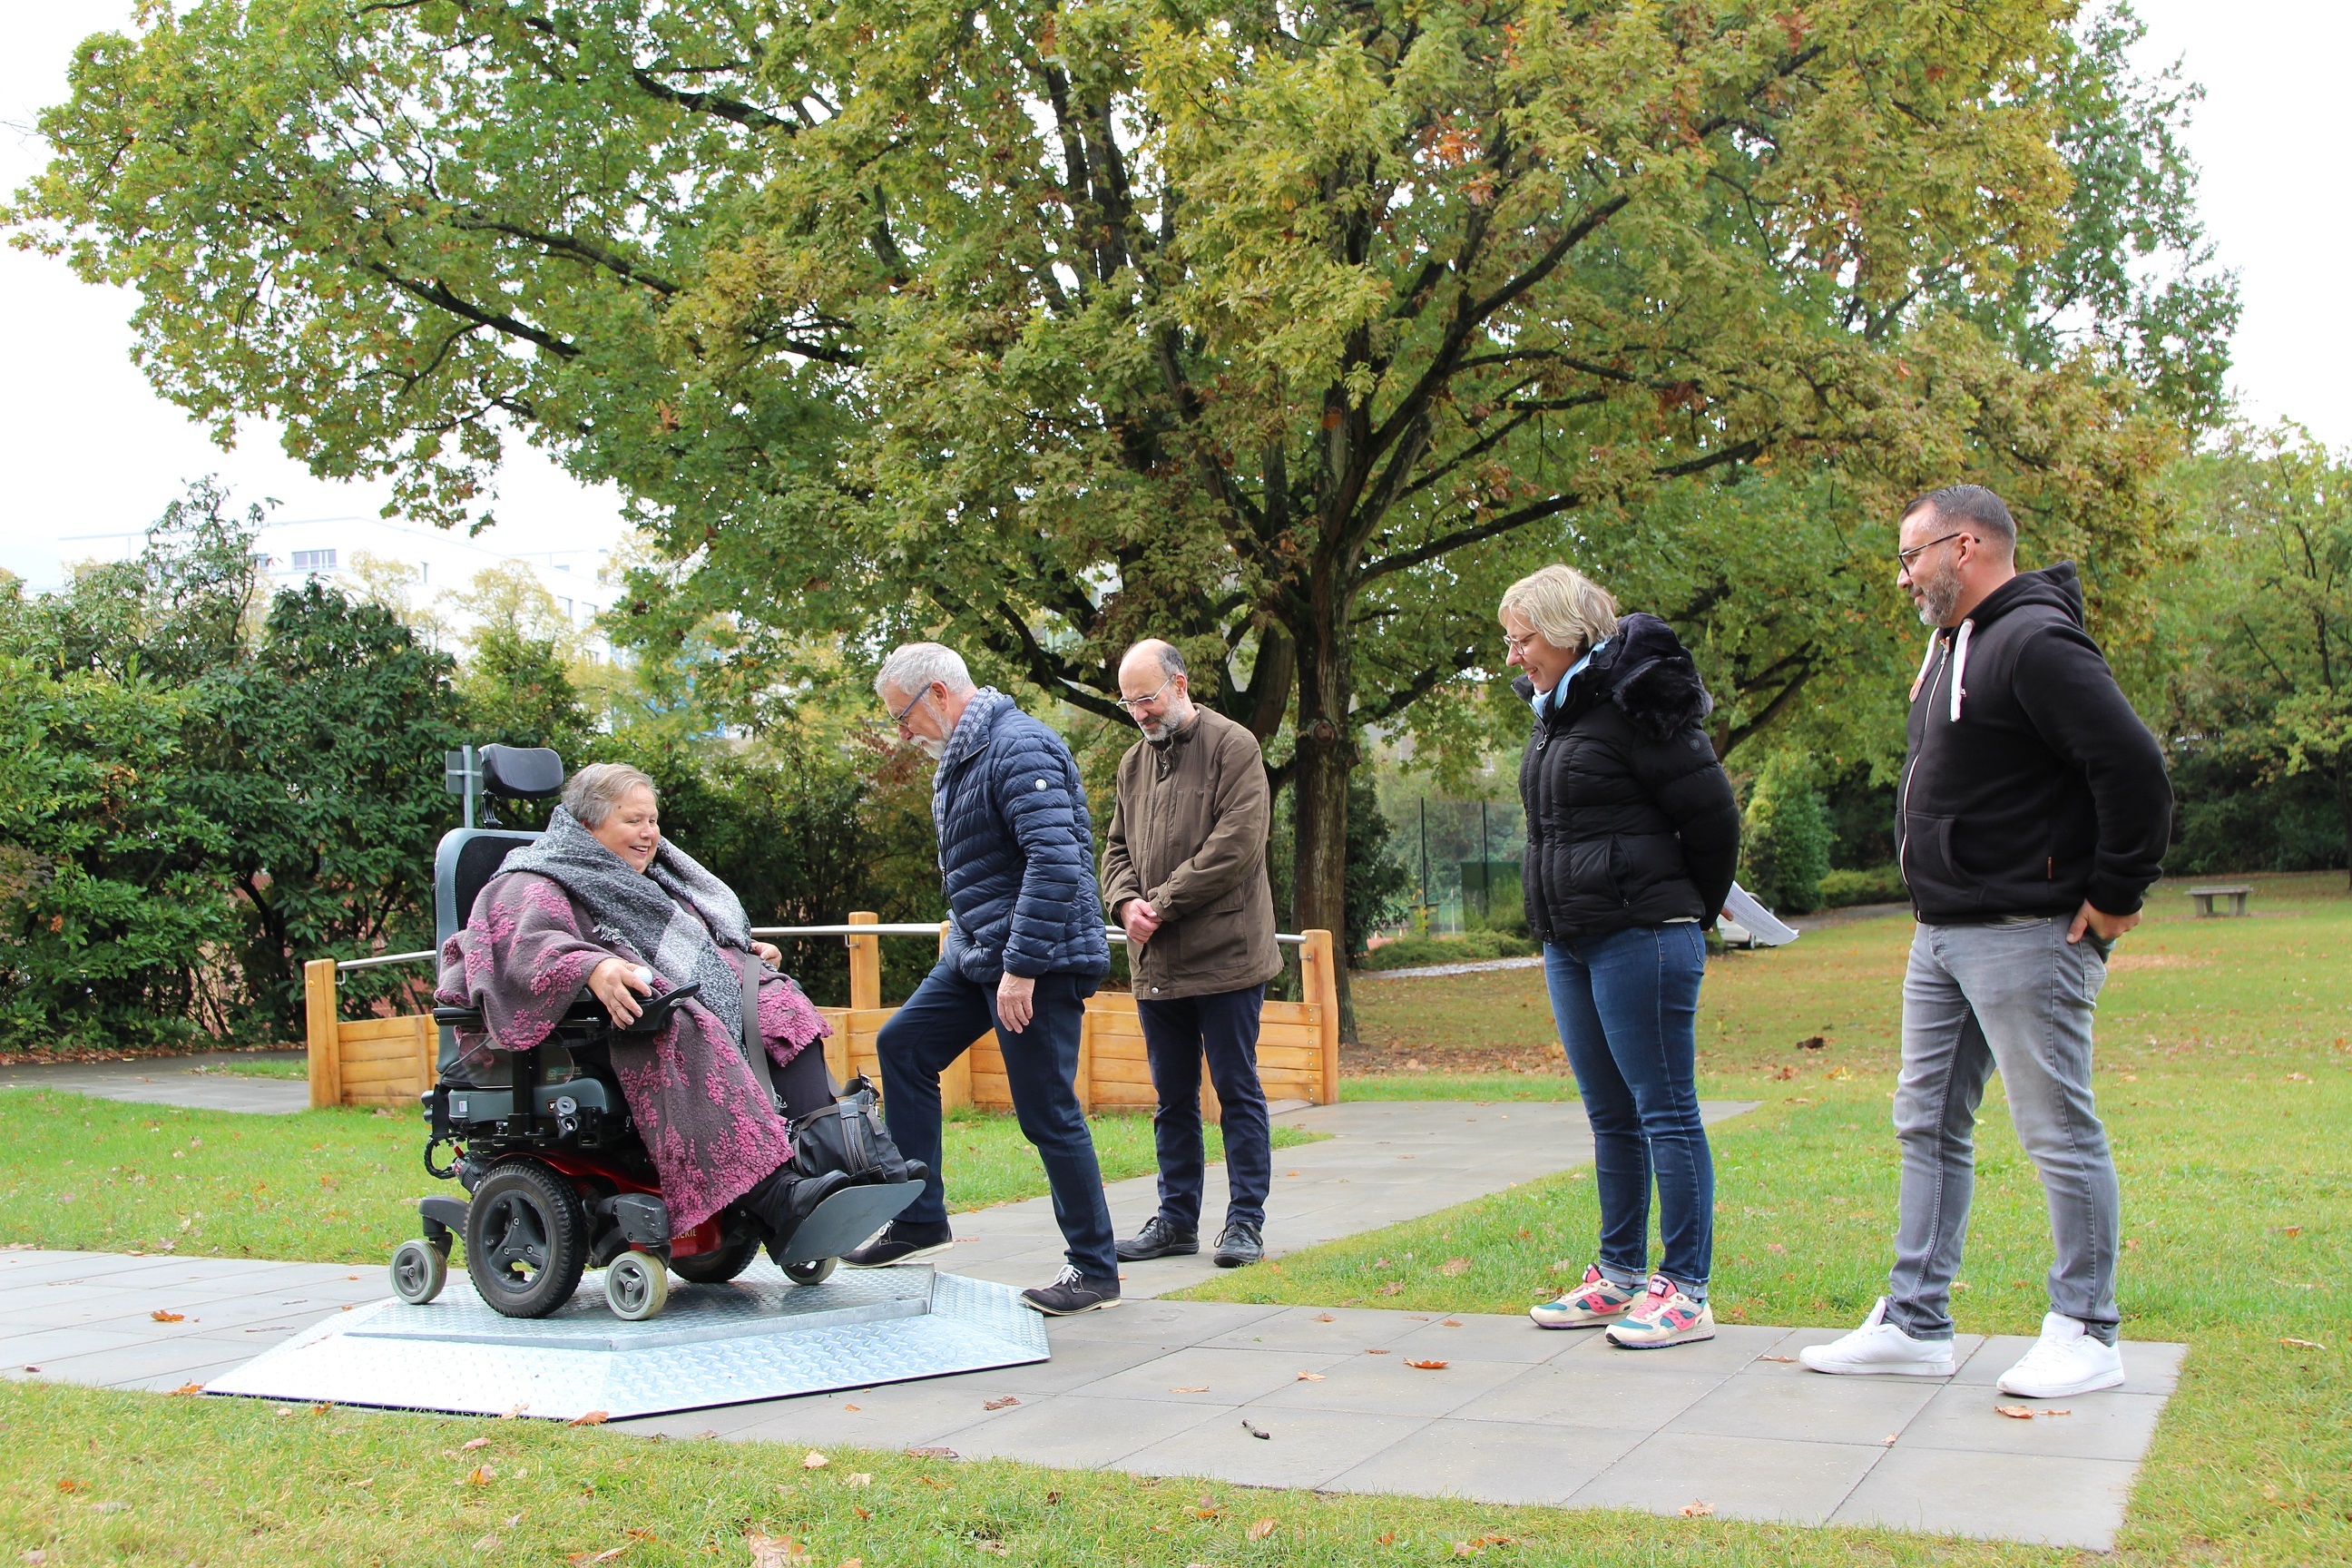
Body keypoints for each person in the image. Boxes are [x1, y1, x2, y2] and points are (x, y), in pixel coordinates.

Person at [1802, 485, 2172, 1397]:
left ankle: (2087, 1330)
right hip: (1942, 936)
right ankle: (1916, 1323)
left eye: (1910, 556)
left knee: (2055, 1129)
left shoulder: (2034, 641)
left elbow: (2134, 767)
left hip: (2026, 931)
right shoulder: (1947, 648)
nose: (1903, 578)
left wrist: (2117, 891)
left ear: (1963, 547)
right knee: (1925, 1119)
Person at [436, 763, 854, 1246]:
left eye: (653, 820)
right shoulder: (534, 877)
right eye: (634, 821)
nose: (649, 833)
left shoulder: (661, 879)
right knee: (680, 1021)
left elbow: (699, 947)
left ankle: (830, 1160)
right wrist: (591, 968)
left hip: (655, 1007)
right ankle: (775, 1197)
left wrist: (743, 958)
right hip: (582, 1033)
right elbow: (524, 946)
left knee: (778, 1001)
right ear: (589, 824)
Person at [842, 643, 1122, 1315]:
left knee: (1046, 1112)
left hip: (1038, 959)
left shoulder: (1017, 746)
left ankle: (1095, 1268)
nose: (901, 732)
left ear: (938, 693)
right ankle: (919, 1216)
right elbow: (985, 868)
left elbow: (1056, 863)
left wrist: (1022, 967)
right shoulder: (965, 754)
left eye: (903, 716)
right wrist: (966, 935)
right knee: (903, 1045)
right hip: (979, 954)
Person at [1507, 565, 1740, 1349]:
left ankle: (1687, 1290)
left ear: (1569, 631)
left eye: (1524, 637)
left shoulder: (1638, 702)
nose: (1515, 656)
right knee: (1611, 1115)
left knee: (1665, 1111)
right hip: (1571, 940)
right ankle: (1618, 1278)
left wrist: (1686, 911)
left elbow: (1713, 818)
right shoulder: (1557, 715)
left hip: (1643, 935)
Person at [1099, 640, 1282, 1269]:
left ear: (1179, 685)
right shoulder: (1131, 764)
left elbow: (1238, 845)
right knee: (1172, 1097)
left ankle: (1244, 1224)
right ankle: (1176, 1220)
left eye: (1147, 699)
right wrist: (1125, 903)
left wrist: (1163, 902)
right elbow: (1115, 848)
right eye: (1129, 704)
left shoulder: (1235, 746)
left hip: (1228, 955)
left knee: (1236, 1089)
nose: (1140, 714)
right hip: (1157, 963)